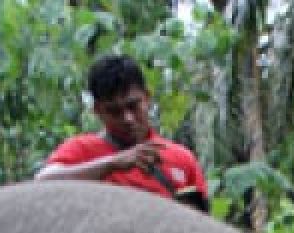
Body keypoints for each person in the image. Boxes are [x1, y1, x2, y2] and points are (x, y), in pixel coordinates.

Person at [36, 54, 209, 211]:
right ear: (97, 110)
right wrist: (112, 163)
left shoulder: (182, 159)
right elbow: (42, 182)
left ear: (147, 98)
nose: (128, 118)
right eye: (114, 111)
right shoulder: (82, 150)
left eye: (133, 106)